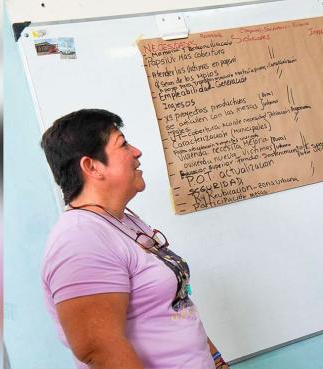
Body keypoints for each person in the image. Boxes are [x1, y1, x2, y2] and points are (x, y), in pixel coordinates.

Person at [40, 109, 229, 369]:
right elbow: (101, 351)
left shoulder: (123, 221)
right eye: (123, 144)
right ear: (91, 166)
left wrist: (216, 361)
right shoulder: (80, 240)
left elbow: (174, 304)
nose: (136, 151)